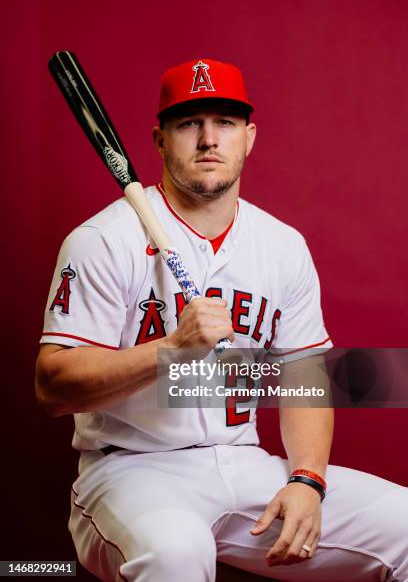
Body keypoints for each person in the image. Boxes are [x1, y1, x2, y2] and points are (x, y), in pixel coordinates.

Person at [35, 58, 408, 582]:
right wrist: (171, 351)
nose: (209, 139)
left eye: (225, 122)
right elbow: (53, 387)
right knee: (175, 554)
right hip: (131, 468)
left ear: (249, 137)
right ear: (160, 140)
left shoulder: (282, 246)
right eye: (189, 123)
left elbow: (305, 377)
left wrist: (306, 480)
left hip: (244, 460)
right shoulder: (102, 240)